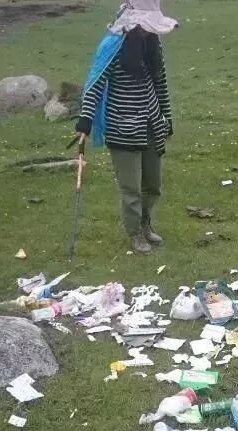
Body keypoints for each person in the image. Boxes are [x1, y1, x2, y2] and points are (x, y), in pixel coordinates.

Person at [75, 0, 178, 254]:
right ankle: (134, 234)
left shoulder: (153, 44)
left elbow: (160, 82)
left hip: (152, 123)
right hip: (122, 126)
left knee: (153, 184)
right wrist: (85, 120)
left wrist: (167, 117)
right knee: (131, 188)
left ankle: (145, 223)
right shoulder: (115, 46)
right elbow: (95, 84)